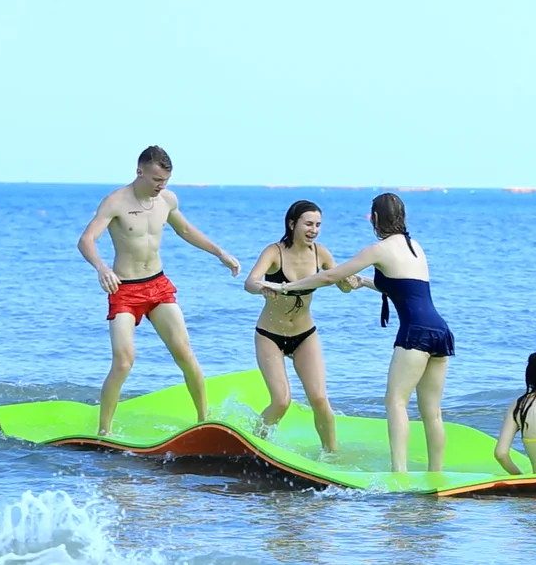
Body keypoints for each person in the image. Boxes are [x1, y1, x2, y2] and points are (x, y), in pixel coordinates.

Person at [262, 192, 454, 473]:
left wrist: (286, 287)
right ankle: (437, 474)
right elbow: (408, 291)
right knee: (432, 413)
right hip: (440, 331)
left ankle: (398, 474)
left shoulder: (379, 249)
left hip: (415, 334)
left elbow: (330, 276)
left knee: (396, 402)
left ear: (375, 218)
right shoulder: (415, 247)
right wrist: (364, 282)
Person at [76, 145, 241, 436]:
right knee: (124, 361)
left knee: (185, 353)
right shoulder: (115, 201)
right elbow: (86, 240)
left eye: (164, 180)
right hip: (124, 289)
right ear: (140, 172)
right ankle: (104, 431)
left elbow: (187, 230)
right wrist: (102, 268)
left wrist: (220, 253)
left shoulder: (167, 199)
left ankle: (205, 421)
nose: (160, 186)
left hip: (158, 285)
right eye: (155, 180)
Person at [244, 200, 361, 453]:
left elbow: (341, 284)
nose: (314, 229)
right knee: (282, 401)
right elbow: (250, 282)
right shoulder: (274, 252)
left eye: (318, 225)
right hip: (270, 335)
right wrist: (264, 286)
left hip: (305, 335)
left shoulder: (321, 254)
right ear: (292, 223)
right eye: (308, 223)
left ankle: (332, 456)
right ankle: (255, 445)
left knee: (319, 399)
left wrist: (351, 282)